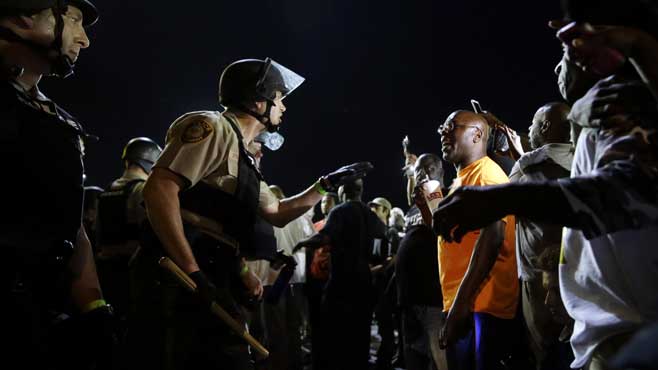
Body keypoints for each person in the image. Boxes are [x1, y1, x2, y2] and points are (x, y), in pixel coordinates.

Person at [433, 3, 658, 368]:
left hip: (628, 333)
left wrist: (499, 198)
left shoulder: (625, 103)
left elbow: (627, 193)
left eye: (566, 45)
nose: (560, 64)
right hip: (612, 330)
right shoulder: (604, 110)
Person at [129, 57, 372, 370]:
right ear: (259, 100)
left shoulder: (244, 157)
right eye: (280, 98)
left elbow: (277, 212)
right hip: (176, 274)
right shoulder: (213, 127)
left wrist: (325, 185)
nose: (283, 106)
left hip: (210, 270)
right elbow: (159, 189)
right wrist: (193, 272)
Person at [0, 1, 115, 369]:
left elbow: (71, 223)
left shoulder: (59, 121)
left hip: (41, 306)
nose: (83, 40)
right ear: (24, 15)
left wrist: (94, 306)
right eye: (75, 21)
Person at [436, 111, 518, 370]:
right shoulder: (462, 180)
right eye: (442, 128)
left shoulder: (486, 175)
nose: (443, 133)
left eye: (452, 127)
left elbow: (491, 239)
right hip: (466, 304)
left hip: (480, 307)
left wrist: (461, 305)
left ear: (478, 134)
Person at [294, 179, 386, 370]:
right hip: (364, 284)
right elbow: (379, 254)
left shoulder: (340, 211)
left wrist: (302, 244)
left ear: (343, 190)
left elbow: (325, 237)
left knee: (335, 336)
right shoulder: (374, 218)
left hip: (341, 284)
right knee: (360, 336)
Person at [509, 102, 574, 370]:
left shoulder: (532, 169)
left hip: (542, 282)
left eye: (533, 124)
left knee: (544, 354)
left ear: (545, 126)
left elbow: (505, 197)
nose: (528, 129)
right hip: (577, 279)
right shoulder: (580, 162)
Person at [95, 137, 161, 340]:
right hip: (132, 271)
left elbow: (98, 232)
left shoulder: (107, 190)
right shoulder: (142, 190)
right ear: (150, 162)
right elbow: (150, 235)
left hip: (105, 269)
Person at [396, 153, 448, 370]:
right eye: (420, 171)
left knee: (439, 356)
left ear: (441, 173)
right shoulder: (414, 206)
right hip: (410, 296)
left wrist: (427, 186)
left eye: (430, 169)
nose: (424, 174)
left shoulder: (445, 198)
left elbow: (441, 226)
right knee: (414, 354)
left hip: (432, 296)